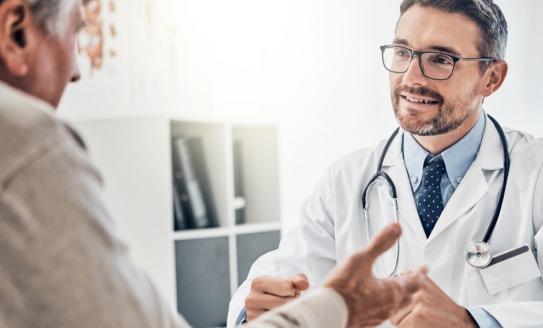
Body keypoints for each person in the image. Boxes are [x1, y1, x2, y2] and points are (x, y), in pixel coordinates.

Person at [0, 0, 425, 327]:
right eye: (75, 34)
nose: (76, 70)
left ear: (492, 78)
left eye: (441, 59)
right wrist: (326, 307)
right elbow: (262, 291)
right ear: (15, 32)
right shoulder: (25, 139)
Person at [229, 1, 543, 327]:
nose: (411, 77)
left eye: (440, 59)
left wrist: (472, 322)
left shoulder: (535, 174)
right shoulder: (346, 180)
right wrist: (255, 310)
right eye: (403, 52)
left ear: (491, 78)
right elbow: (280, 276)